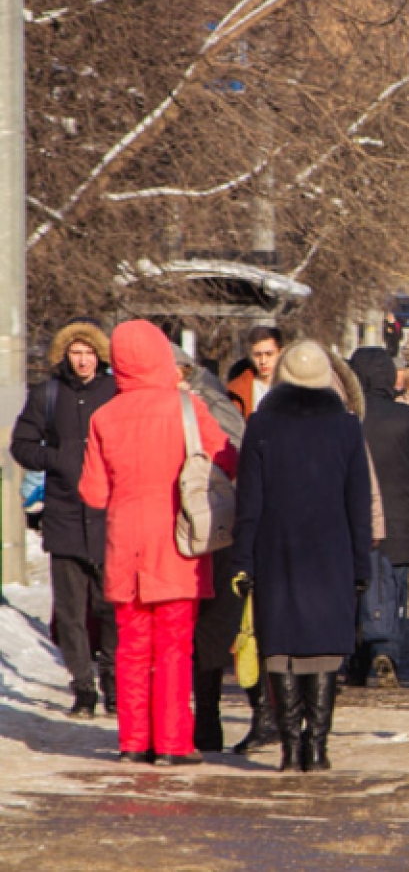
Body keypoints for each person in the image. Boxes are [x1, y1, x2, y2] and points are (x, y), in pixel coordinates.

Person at [78, 320, 238, 766]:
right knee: (173, 646)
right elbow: (227, 459)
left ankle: (133, 741)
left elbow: (92, 492)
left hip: (125, 547)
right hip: (178, 545)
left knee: (131, 646)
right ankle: (171, 743)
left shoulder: (103, 416)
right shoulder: (186, 407)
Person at [231, 341, 373, 773]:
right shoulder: (347, 427)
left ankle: (290, 749)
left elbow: (248, 502)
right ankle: (318, 747)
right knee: (326, 648)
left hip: (276, 549)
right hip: (332, 552)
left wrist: (243, 560)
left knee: (281, 646)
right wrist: (361, 565)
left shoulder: (260, 425)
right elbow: (358, 504)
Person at [11, 319, 119, 718]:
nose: (83, 360)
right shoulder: (48, 394)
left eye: (89, 352)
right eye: (76, 352)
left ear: (100, 356)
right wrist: (57, 459)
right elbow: (21, 445)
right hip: (65, 515)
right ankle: (83, 688)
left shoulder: (115, 390)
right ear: (64, 355)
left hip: (109, 516)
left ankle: (113, 684)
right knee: (72, 611)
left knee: (110, 607)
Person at [171, 345, 249, 755]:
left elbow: (233, 453)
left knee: (201, 628)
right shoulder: (191, 404)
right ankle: (196, 722)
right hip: (198, 527)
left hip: (204, 528)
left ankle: (197, 721)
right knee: (193, 628)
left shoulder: (206, 401)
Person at [348, 348, 409, 688]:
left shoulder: (346, 419)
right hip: (399, 522)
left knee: (355, 591)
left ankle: (355, 662)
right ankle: (388, 652)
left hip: (353, 522)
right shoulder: (408, 419)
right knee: (394, 592)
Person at [225, 326, 284, 419]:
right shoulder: (238, 391)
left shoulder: (293, 387)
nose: (263, 361)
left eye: (269, 354)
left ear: (280, 353)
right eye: (257, 355)